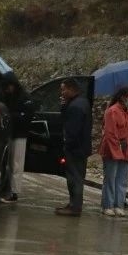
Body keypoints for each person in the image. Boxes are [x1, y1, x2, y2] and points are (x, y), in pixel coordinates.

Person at [100, 87, 128, 216]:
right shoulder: (112, 111)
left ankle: (118, 204)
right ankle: (108, 205)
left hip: (125, 150)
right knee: (110, 178)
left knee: (122, 180)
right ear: (122, 97)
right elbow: (110, 133)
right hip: (112, 149)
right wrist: (116, 152)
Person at [56, 79, 91, 217]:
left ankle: (75, 207)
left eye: (64, 90)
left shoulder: (76, 107)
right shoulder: (81, 102)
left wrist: (67, 144)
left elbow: (73, 131)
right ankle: (73, 203)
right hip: (81, 148)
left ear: (71, 89)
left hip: (76, 149)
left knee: (74, 178)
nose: (62, 93)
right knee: (76, 177)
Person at [0, 73, 35, 203]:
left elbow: (27, 116)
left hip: (19, 134)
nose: (6, 90)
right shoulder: (10, 97)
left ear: (12, 85)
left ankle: (14, 192)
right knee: (10, 164)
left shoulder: (24, 98)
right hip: (11, 134)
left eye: (7, 87)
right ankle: (8, 189)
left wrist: (11, 115)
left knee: (16, 164)